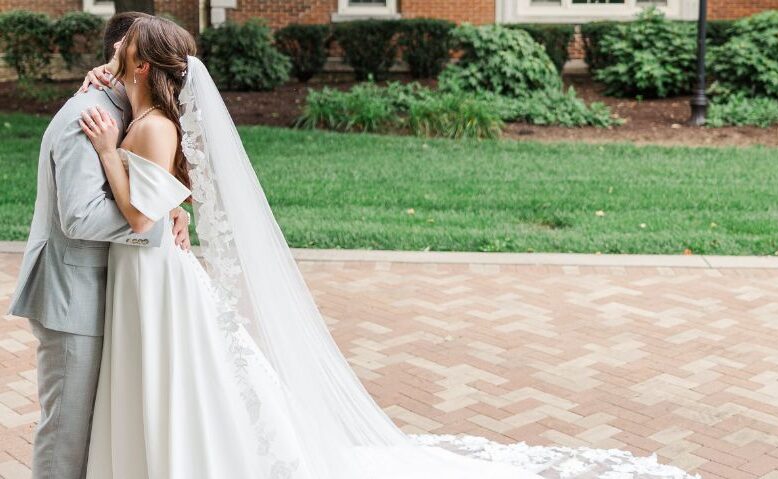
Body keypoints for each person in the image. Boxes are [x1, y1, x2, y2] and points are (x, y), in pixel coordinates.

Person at [77, 15, 698, 479]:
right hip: (149, 273)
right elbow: (162, 198)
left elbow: (137, 216)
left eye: (120, 51)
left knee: (180, 375)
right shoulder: (142, 114)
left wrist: (109, 153)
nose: (112, 53)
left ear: (139, 67)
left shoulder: (152, 126)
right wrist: (156, 183)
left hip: (154, 271)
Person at [7, 12, 191, 479]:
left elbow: (139, 179)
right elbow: (80, 215)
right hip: (72, 297)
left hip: (111, 293)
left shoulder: (127, 108)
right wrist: (151, 225)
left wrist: (169, 206)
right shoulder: (86, 116)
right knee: (67, 432)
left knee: (101, 430)